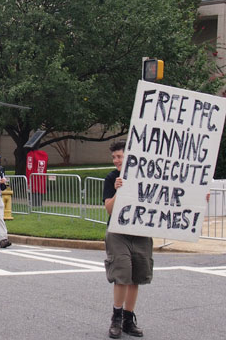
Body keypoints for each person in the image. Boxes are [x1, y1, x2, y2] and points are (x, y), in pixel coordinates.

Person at [103, 140, 149, 338]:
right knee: (122, 275)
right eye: (114, 157)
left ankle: (129, 319)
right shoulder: (111, 178)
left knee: (136, 277)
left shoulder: (145, 175)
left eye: (119, 156)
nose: (116, 160)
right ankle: (117, 318)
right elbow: (109, 209)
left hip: (140, 232)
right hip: (118, 232)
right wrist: (118, 190)